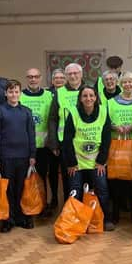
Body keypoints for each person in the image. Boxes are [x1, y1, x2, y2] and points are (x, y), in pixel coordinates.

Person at [62, 85, 114, 231]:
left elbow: (106, 139)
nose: (88, 98)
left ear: (96, 98)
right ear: (80, 98)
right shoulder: (73, 113)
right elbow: (67, 140)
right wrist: (71, 163)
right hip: (77, 162)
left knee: (102, 189)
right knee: (75, 191)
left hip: (97, 162)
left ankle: (106, 219)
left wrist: (101, 161)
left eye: (91, 95)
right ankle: (75, 220)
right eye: (85, 96)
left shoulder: (103, 112)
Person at [0, 80, 36, 233]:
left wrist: (32, 154)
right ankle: (8, 219)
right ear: (5, 93)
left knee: (22, 188)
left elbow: (31, 135)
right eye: (10, 92)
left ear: (20, 93)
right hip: (6, 156)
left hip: (24, 156)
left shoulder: (27, 111)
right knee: (7, 189)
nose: (13, 94)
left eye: (16, 91)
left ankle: (22, 217)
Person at [106, 71, 132, 224]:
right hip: (116, 147)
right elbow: (105, 122)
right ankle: (115, 213)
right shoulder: (111, 102)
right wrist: (114, 126)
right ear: (120, 84)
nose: (127, 85)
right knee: (116, 180)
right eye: (124, 82)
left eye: (130, 82)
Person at [46, 62, 84, 204]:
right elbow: (53, 119)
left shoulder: (89, 90)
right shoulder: (59, 93)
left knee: (86, 177)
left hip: (86, 141)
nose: (73, 76)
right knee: (69, 177)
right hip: (65, 143)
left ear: (81, 74)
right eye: (70, 74)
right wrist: (54, 143)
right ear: (66, 76)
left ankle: (85, 209)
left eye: (76, 73)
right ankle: (70, 209)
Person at [20, 68, 55, 216]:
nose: (33, 79)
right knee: (24, 177)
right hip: (24, 146)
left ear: (40, 78)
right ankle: (26, 206)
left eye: (36, 77)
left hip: (43, 146)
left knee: (41, 176)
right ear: (27, 79)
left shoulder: (49, 95)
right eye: (30, 77)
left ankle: (42, 205)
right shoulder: (20, 96)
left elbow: (53, 119)